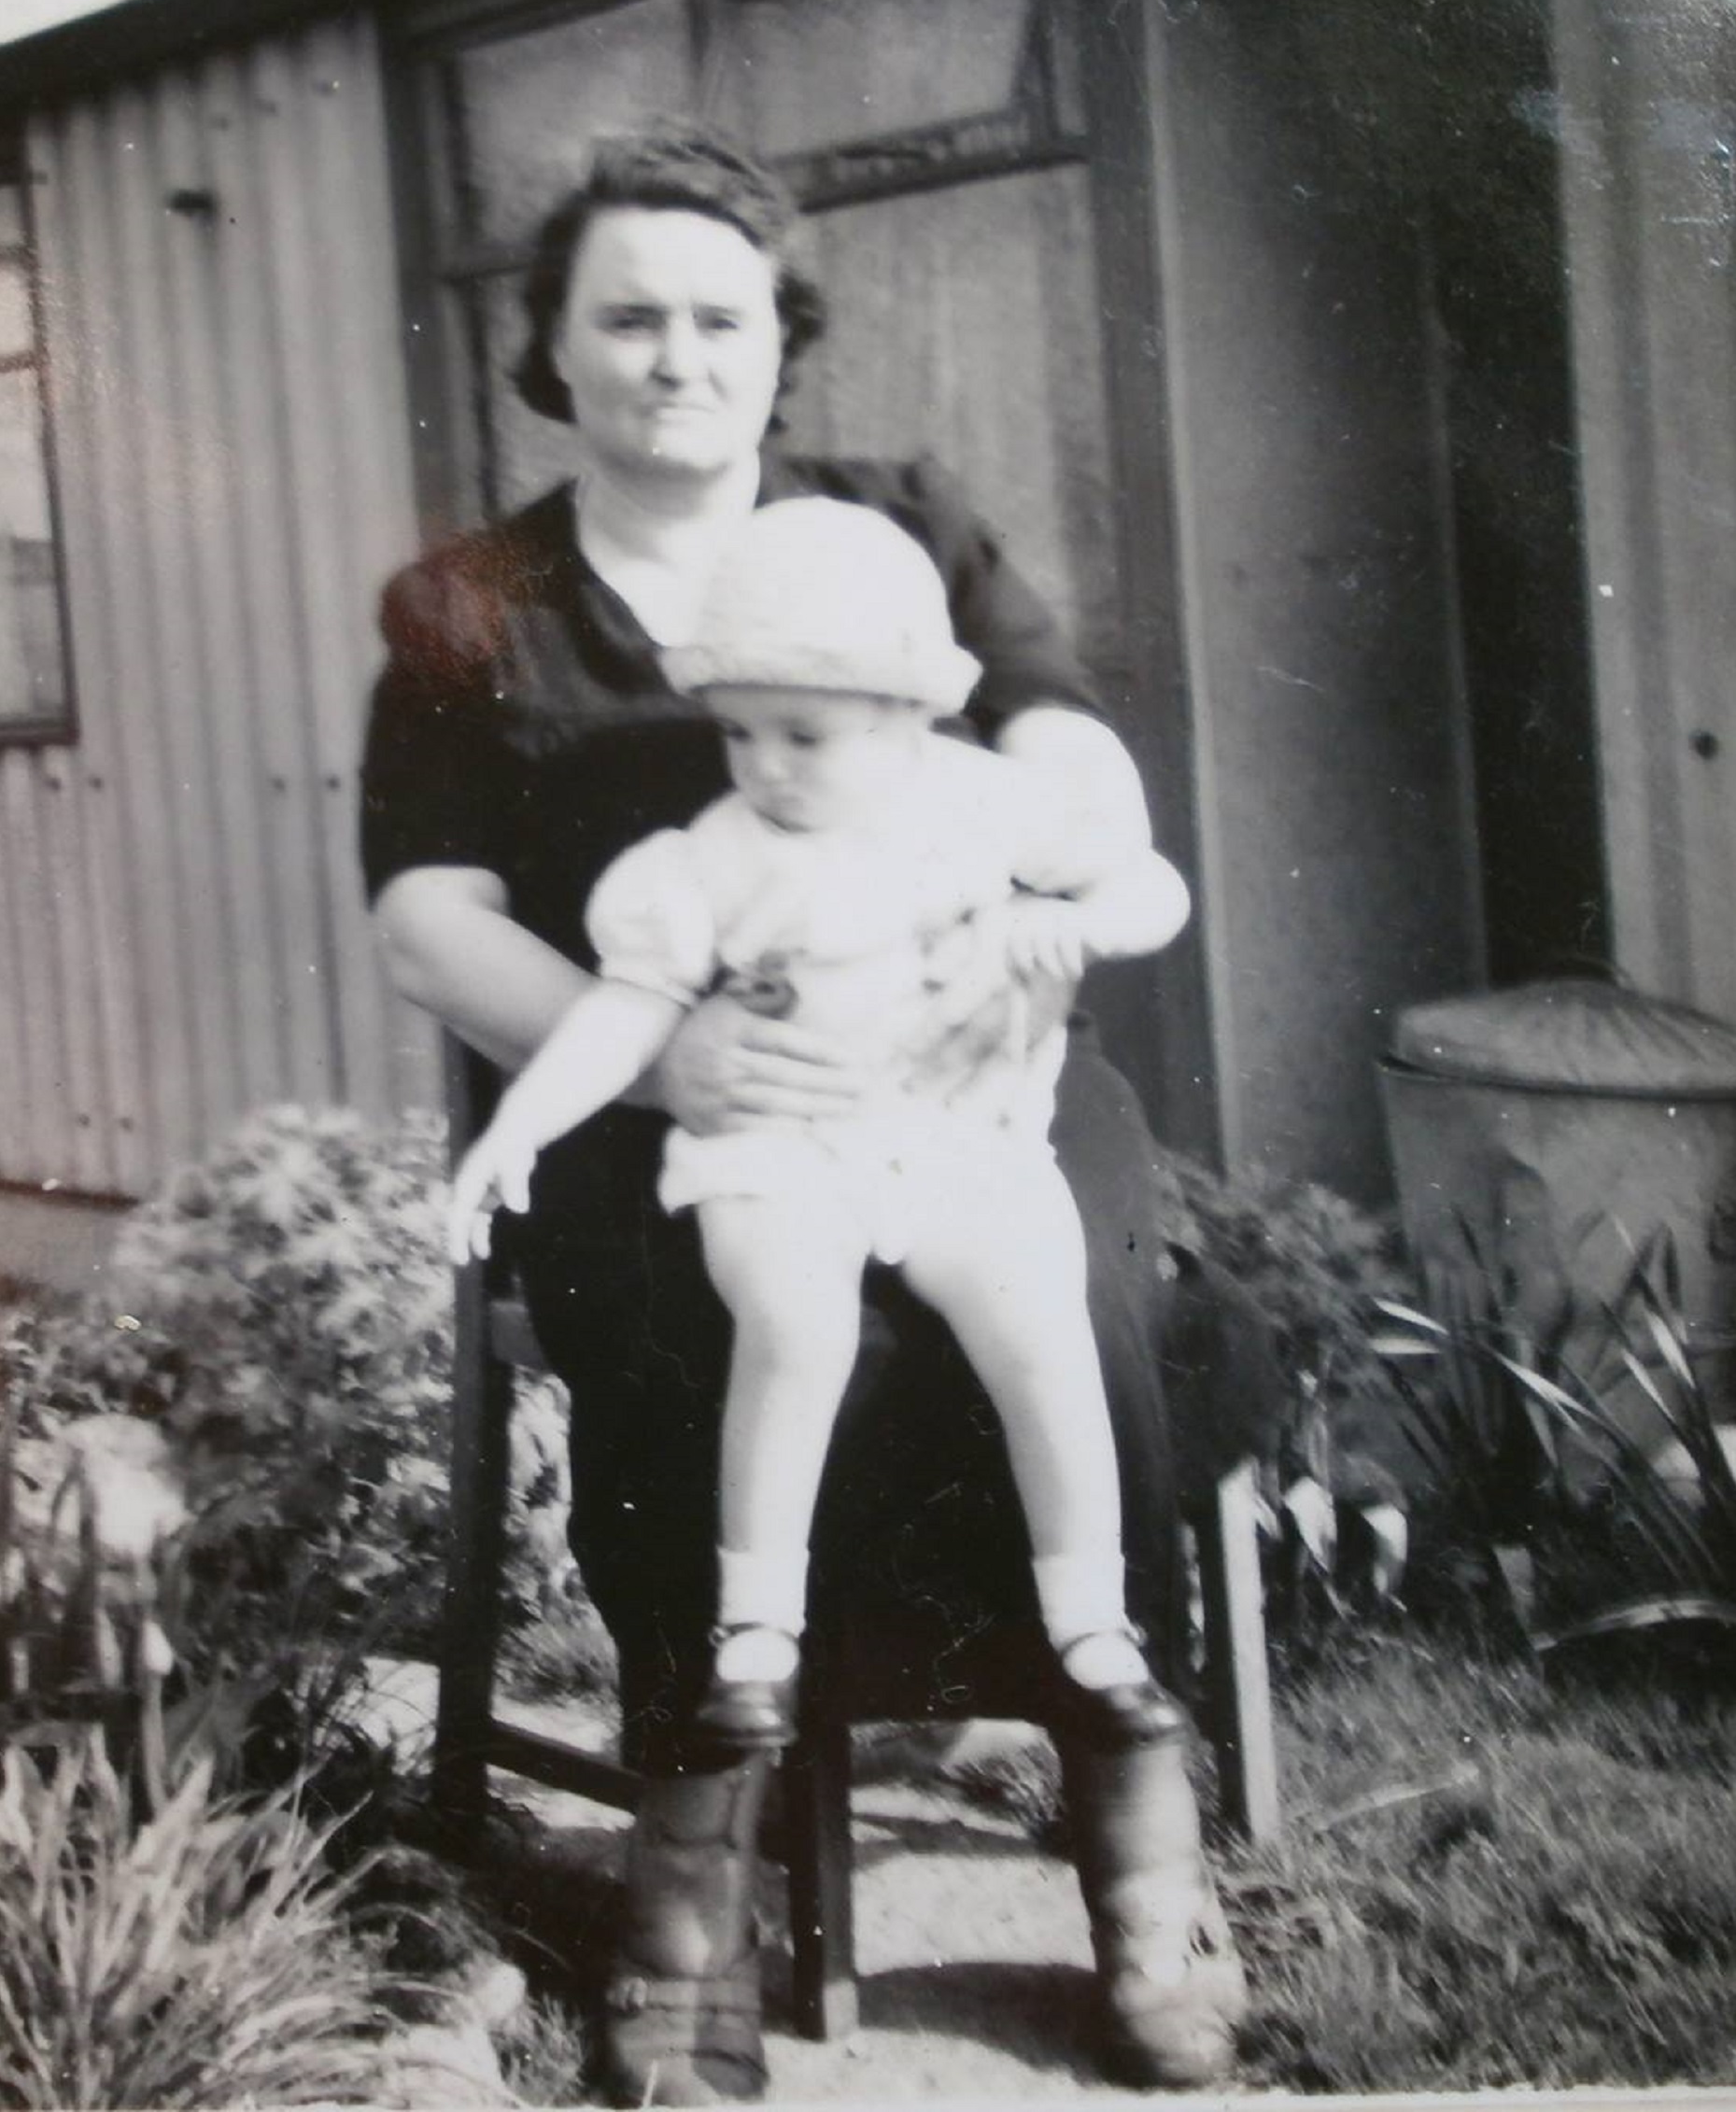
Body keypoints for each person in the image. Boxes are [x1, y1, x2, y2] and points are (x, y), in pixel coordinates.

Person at [360, 122, 1245, 2101]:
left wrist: (1038, 916)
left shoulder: (899, 519)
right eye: (630, 317)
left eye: (720, 314)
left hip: (963, 1062)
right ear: (555, 349)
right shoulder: (469, 600)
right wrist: (660, 1050)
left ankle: (1137, 1852)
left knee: (1085, 1289)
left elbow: (1071, 750)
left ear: (780, 337)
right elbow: (428, 918)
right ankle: (690, 1910)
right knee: (694, 1334)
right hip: (661, 1083)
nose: (679, 353)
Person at [445, 498, 1195, 1758]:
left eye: (805, 734)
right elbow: (628, 1011)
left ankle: (1090, 1627)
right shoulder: (713, 860)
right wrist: (521, 1122)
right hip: (779, 1150)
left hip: (959, 1140)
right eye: (739, 733)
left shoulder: (984, 804)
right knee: (795, 1320)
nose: (766, 768)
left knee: (1039, 1323)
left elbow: (1148, 885)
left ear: (910, 718)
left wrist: (1058, 925)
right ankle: (756, 1634)